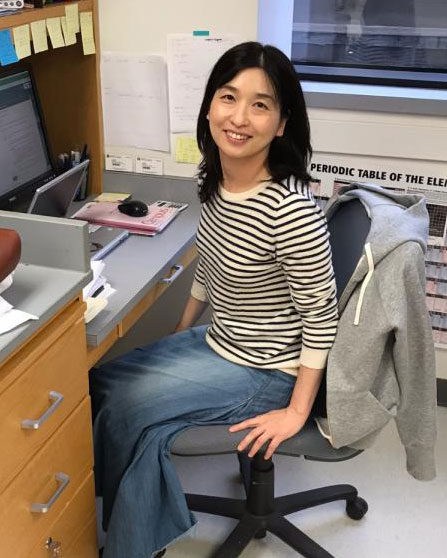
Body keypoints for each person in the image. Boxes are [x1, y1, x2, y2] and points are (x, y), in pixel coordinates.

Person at [90, 41, 339, 558]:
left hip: (269, 369)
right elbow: (209, 268)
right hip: (219, 341)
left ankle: (132, 543)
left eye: (260, 105)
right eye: (228, 97)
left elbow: (321, 315)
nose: (239, 118)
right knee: (99, 383)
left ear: (282, 124)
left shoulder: (289, 210)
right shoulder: (219, 183)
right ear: (209, 107)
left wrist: (297, 412)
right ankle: (109, 510)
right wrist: (180, 336)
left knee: (131, 413)